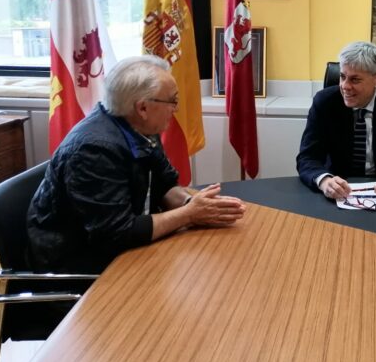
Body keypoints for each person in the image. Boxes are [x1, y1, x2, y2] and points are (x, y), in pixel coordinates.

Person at [27, 55, 247, 274]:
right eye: (172, 100)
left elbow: (165, 184)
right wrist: (189, 214)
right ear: (142, 108)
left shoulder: (140, 128)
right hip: (79, 266)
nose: (176, 109)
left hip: (125, 250)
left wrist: (192, 203)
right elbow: (117, 234)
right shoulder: (94, 150)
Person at [296, 41, 376, 200]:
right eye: (342, 76)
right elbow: (307, 157)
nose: (345, 86)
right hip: (339, 190)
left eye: (355, 80)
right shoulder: (325, 102)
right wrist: (324, 180)